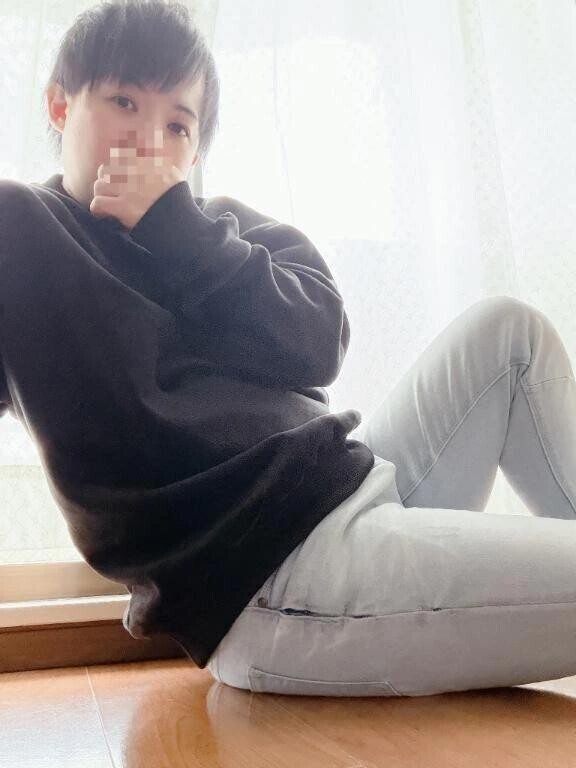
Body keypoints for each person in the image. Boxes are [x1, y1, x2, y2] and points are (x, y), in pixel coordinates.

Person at [4, 1, 576, 698]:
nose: (150, 140)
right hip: (274, 580)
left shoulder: (221, 229)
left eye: (178, 125)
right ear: (60, 105)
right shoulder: (23, 232)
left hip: (358, 487)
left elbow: (318, 346)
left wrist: (178, 234)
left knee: (509, 332)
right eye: (125, 102)